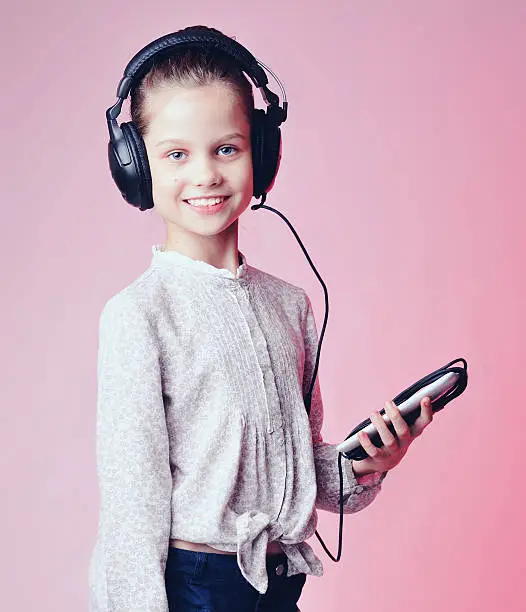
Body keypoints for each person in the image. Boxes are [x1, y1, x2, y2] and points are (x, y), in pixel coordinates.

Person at [88, 25, 435, 612]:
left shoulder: (289, 304)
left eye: (227, 148)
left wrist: (367, 462)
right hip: (194, 588)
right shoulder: (139, 317)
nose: (205, 174)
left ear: (262, 154)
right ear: (138, 168)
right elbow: (132, 509)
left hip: (277, 584)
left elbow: (303, 469)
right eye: (176, 154)